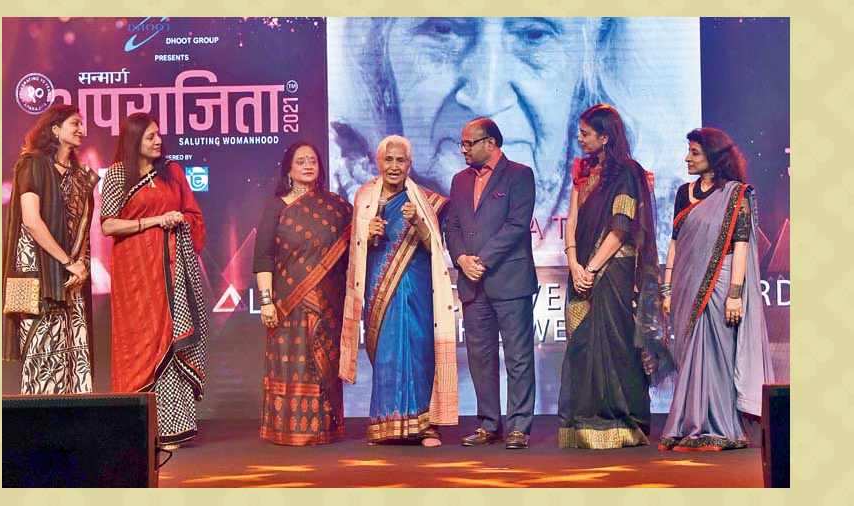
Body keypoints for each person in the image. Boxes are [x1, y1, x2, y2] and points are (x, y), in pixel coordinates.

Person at [328, 17, 700, 264]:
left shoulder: (651, 203)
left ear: (590, 63)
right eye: (442, 30)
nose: (486, 96)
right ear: (379, 58)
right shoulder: (351, 204)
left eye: (533, 35)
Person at [659, 127, 775, 452]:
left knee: (717, 355)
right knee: (690, 356)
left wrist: (735, 293)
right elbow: (674, 242)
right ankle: (688, 426)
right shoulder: (685, 193)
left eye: (695, 153)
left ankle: (721, 429)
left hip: (720, 283)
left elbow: (740, 245)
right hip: (685, 283)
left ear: (714, 157)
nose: (687, 158)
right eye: (689, 152)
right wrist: (667, 288)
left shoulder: (737, 194)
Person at [340, 135, 458, 447]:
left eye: (400, 160)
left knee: (419, 351)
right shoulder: (365, 197)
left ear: (410, 164)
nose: (394, 166)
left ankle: (425, 426)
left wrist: (418, 221)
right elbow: (356, 249)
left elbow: (435, 247)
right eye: (389, 160)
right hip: (380, 287)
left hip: (417, 287)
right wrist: (368, 235)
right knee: (388, 353)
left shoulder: (425, 199)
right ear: (378, 163)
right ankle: (385, 424)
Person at [557, 104, 662, 449]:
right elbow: (571, 220)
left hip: (612, 270)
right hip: (581, 268)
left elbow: (621, 227)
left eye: (586, 133)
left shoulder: (627, 173)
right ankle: (586, 421)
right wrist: (573, 262)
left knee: (615, 342)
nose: (580, 138)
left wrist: (591, 268)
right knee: (583, 345)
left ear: (605, 137)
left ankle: (623, 421)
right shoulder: (583, 171)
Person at [101, 113, 207, 450]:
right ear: (134, 141)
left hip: (172, 269)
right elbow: (108, 226)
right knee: (139, 343)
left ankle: (173, 427)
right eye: (150, 137)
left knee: (172, 338)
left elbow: (194, 216)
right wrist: (155, 221)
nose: (158, 141)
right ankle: (139, 428)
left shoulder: (172, 173)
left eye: (159, 135)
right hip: (135, 274)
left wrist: (179, 224)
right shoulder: (118, 174)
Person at [445, 117, 537, 449]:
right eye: (463, 143)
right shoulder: (459, 181)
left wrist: (480, 260)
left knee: (518, 355)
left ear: (491, 143)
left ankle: (519, 426)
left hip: (508, 279)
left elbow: (516, 225)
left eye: (469, 143)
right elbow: (451, 227)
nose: (464, 149)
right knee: (480, 356)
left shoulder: (520, 175)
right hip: (471, 282)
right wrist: (461, 259)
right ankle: (487, 423)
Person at [252, 141, 352, 446]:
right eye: (301, 161)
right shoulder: (277, 206)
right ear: (289, 169)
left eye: (313, 160)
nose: (308, 165)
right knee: (293, 363)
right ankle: (287, 429)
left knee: (323, 361)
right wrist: (266, 301)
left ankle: (325, 428)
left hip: (328, 302)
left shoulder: (336, 207)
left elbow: (355, 249)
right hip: (288, 302)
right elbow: (263, 256)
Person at [3, 104, 97, 394]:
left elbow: (81, 228)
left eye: (82, 124)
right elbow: (31, 221)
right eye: (74, 124)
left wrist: (79, 265)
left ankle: (74, 431)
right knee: (41, 354)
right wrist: (67, 261)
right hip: (39, 273)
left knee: (73, 352)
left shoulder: (81, 175)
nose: (81, 129)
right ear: (55, 130)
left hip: (72, 276)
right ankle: (38, 431)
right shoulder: (32, 164)